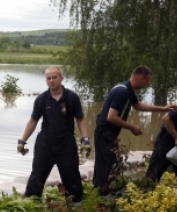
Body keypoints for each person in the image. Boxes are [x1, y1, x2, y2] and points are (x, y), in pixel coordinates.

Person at [93, 65, 176, 193]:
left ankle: (98, 190)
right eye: (147, 81)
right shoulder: (122, 92)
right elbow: (111, 117)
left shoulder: (128, 90)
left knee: (105, 162)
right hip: (105, 132)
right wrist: (132, 127)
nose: (147, 84)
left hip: (108, 132)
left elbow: (138, 106)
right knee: (106, 164)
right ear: (140, 78)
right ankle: (102, 193)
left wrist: (163, 108)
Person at [17, 66, 88, 202]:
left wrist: (85, 139)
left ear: (61, 78)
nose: (51, 81)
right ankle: (30, 205)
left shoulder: (72, 98)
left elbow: (80, 119)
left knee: (72, 177)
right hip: (46, 143)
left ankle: (75, 207)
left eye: (54, 77)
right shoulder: (42, 99)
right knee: (37, 177)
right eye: (48, 78)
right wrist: (22, 141)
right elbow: (33, 121)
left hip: (66, 143)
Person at [145, 110, 177, 182]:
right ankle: (146, 190)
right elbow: (166, 119)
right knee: (154, 173)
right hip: (167, 139)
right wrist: (176, 137)